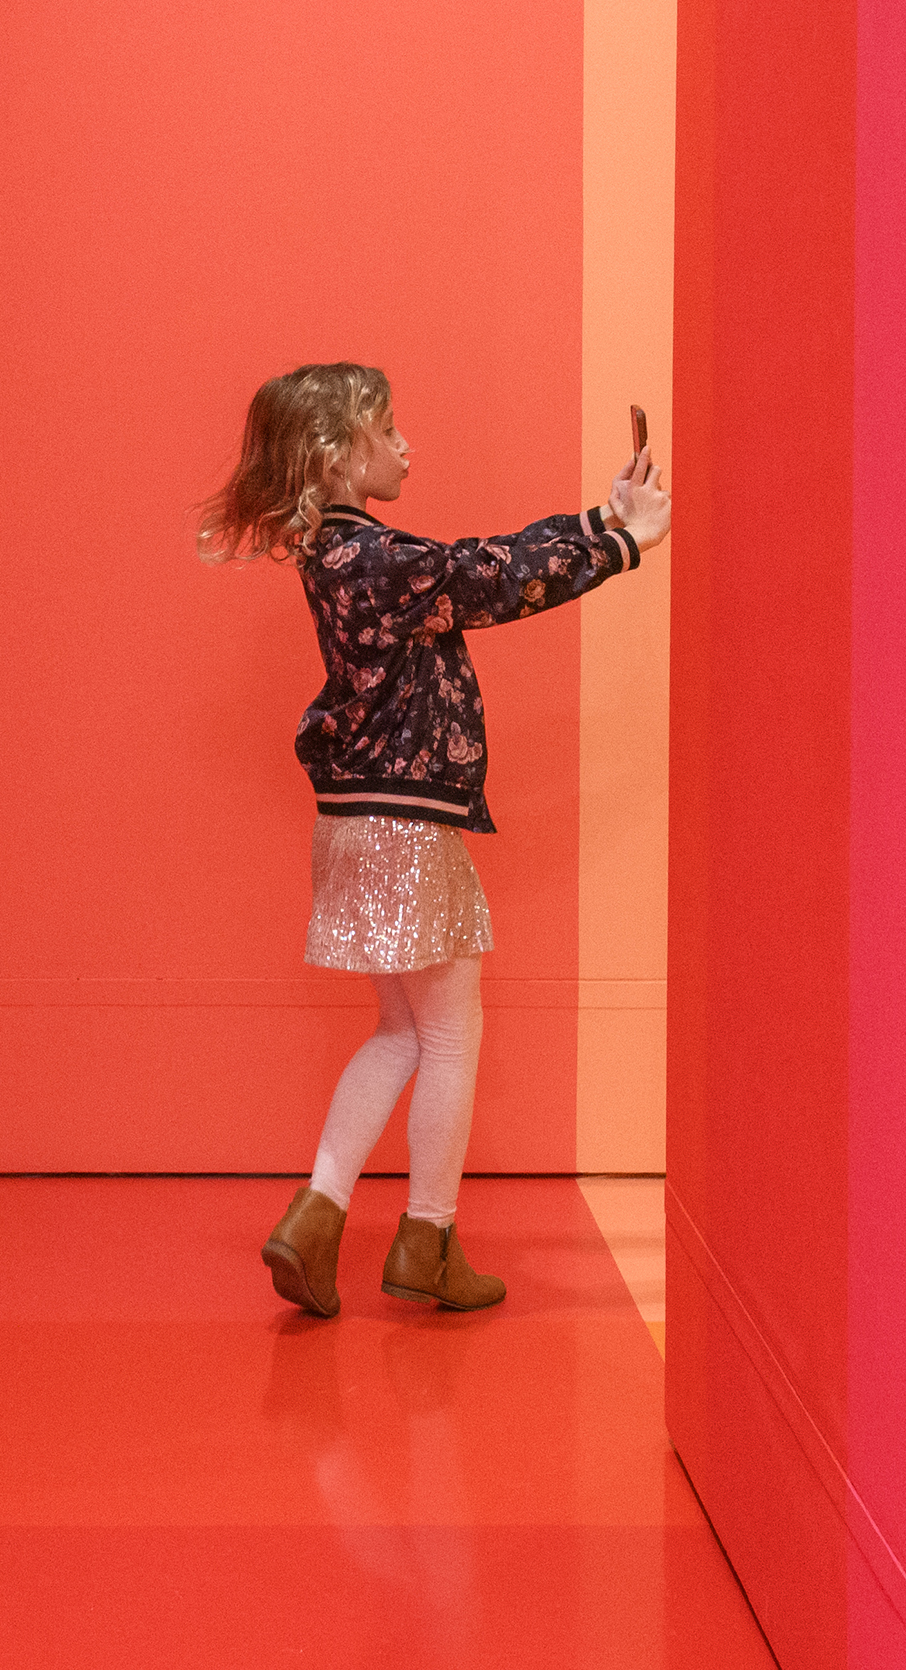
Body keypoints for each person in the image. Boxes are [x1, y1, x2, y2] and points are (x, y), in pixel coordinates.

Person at [197, 362, 669, 1316]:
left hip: (358, 822)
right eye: (388, 429)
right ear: (336, 454)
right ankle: (428, 1237)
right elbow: (481, 575)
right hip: (405, 826)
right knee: (450, 1033)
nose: (406, 445)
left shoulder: (343, 556)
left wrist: (597, 523)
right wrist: (616, 544)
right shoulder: (373, 559)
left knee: (404, 1030)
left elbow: (469, 564)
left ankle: (316, 1218)